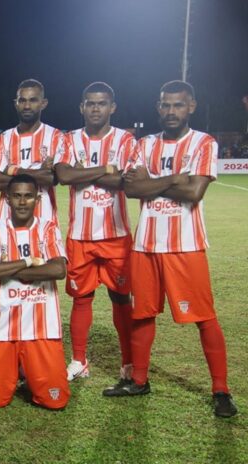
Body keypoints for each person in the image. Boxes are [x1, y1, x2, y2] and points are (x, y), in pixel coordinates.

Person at [104, 80, 237, 418]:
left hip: (186, 246)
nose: (171, 111)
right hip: (146, 245)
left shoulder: (204, 143)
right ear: (158, 107)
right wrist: (176, 179)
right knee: (142, 313)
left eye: (178, 105)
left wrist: (156, 183)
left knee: (204, 318)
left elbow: (195, 193)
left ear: (191, 106)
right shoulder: (144, 144)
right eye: (165, 105)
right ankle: (139, 380)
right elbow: (133, 188)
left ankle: (221, 389)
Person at [53, 82, 137, 382]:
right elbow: (63, 175)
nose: (96, 108)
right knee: (81, 299)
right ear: (81, 107)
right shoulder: (68, 139)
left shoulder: (126, 140)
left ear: (112, 106)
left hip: (116, 235)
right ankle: (79, 361)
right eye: (90, 103)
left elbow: (125, 182)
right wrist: (107, 170)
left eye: (102, 103)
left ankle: (128, 362)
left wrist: (84, 172)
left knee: (121, 298)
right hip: (80, 236)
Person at [0, 174, 69, 410]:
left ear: (37, 199)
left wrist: (6, 268)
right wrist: (29, 262)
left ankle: (29, 371)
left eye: (28, 196)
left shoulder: (48, 229)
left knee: (55, 402)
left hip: (43, 328)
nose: (22, 202)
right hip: (5, 329)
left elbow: (58, 269)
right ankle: (19, 369)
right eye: (17, 196)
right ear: (7, 199)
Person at [0, 79, 63, 224]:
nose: (27, 106)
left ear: (43, 103)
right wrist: (39, 172)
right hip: (7, 221)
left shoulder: (56, 137)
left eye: (33, 100)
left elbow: (52, 179)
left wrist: (13, 170)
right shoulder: (4, 139)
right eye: (22, 100)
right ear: (16, 103)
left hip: (44, 222)